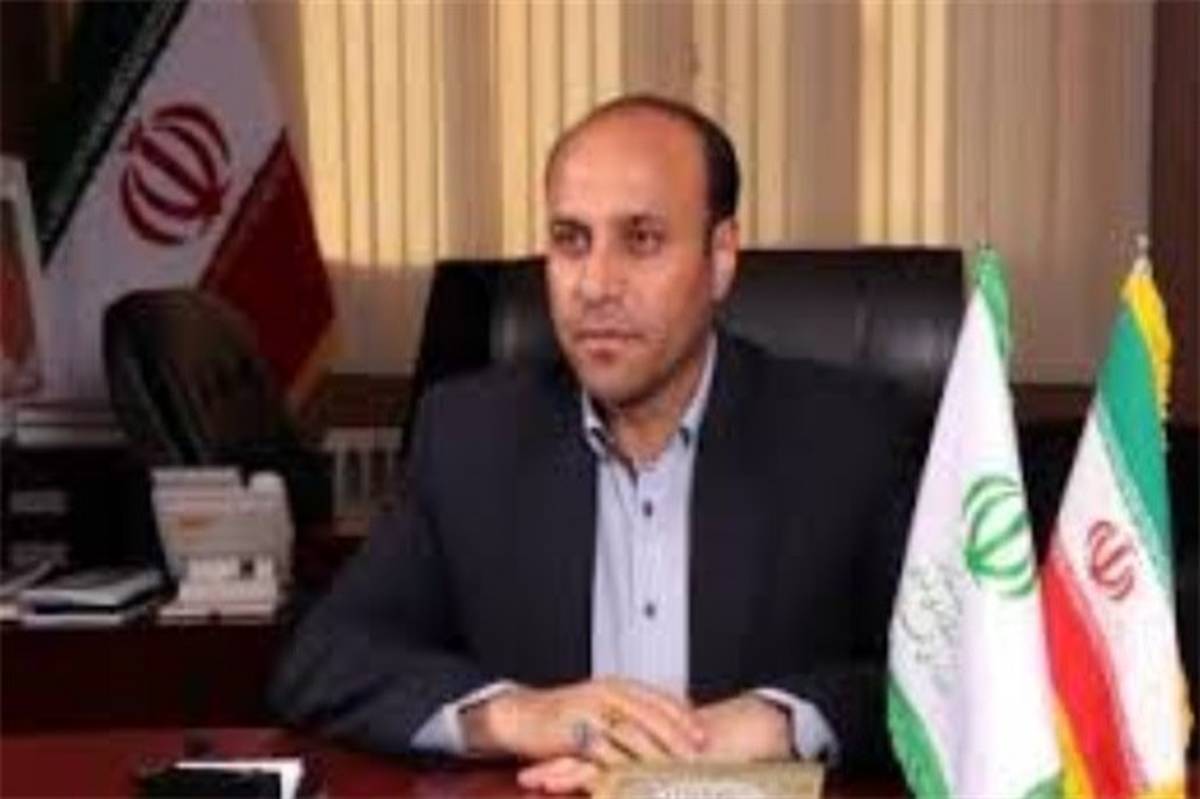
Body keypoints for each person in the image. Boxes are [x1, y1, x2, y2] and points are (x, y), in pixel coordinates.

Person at [270, 94, 917, 794]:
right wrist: (519, 714)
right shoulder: (470, 437)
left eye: (642, 240)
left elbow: (947, 676)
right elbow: (325, 658)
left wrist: (779, 722)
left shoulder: (849, 435)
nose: (596, 285)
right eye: (571, 239)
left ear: (721, 257)